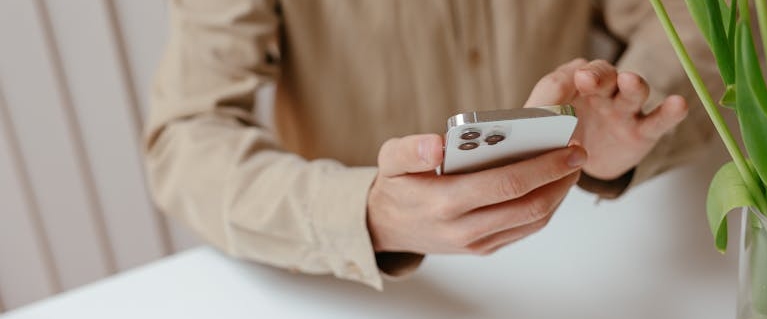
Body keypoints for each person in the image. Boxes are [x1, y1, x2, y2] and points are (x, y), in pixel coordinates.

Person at [144, 0, 717, 290]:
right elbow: (185, 137)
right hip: (359, 289)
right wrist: (363, 213)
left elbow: (701, 22)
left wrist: (621, 131)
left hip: (585, 257)